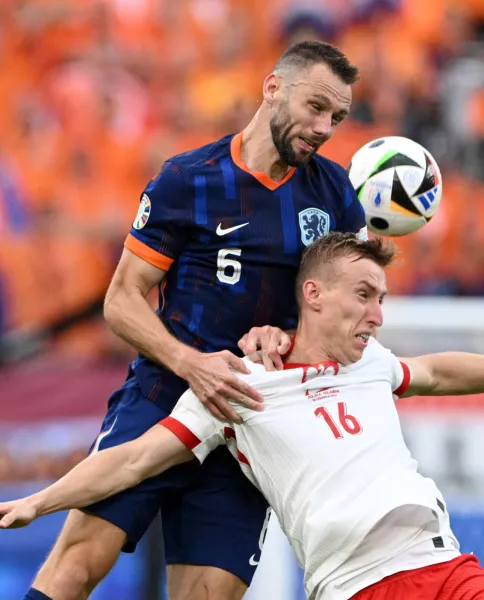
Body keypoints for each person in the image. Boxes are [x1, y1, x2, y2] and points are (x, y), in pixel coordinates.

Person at [4, 232, 484, 600]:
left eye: (382, 299)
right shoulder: (240, 384)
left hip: (445, 566)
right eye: (364, 295)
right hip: (356, 586)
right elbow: (132, 460)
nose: (378, 316)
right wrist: (39, 501)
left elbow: (442, 371)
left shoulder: (373, 365)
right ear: (313, 294)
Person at [21, 41, 367, 600]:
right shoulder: (189, 179)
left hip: (245, 424)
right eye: (316, 106)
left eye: (338, 117)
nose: (325, 126)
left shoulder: (334, 195)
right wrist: (192, 363)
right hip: (160, 399)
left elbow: (353, 315)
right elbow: (123, 300)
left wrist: (294, 338)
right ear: (273, 87)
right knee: (77, 567)